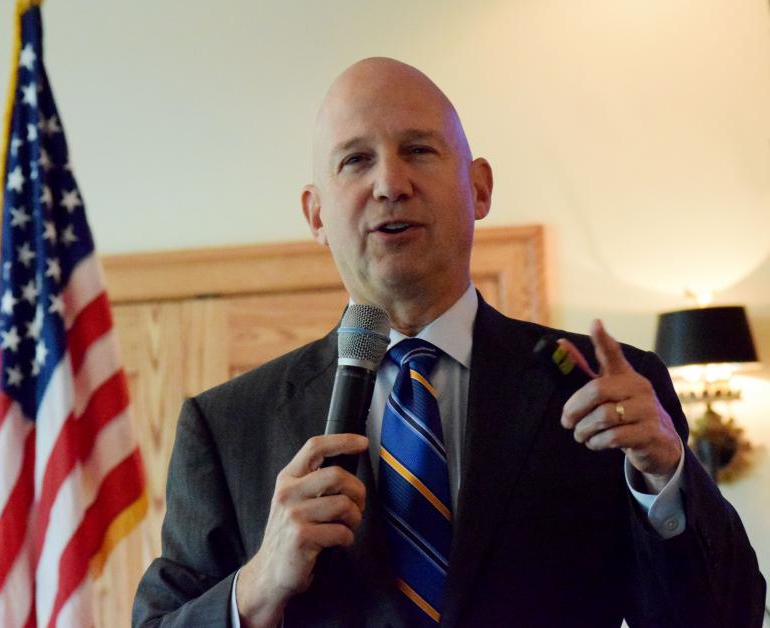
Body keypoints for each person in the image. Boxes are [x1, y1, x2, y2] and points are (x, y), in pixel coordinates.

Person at [133, 57, 765, 627]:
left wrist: (666, 480)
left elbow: (728, 616)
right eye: (355, 160)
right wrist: (259, 585)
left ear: (480, 188)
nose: (390, 183)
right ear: (316, 215)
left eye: (418, 150)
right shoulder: (225, 427)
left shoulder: (599, 391)